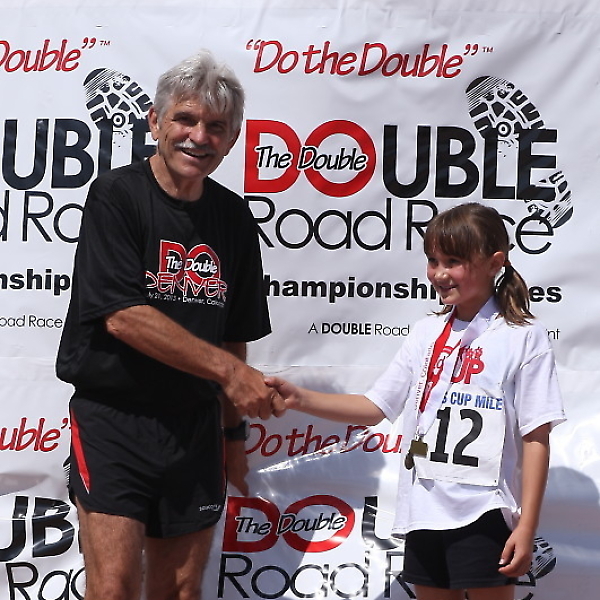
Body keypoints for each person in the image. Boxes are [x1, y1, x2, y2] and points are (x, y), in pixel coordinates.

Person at [56, 50, 284, 600]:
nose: (199, 137)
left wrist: (232, 436)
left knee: (180, 591)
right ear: (155, 122)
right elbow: (123, 317)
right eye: (185, 119)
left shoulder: (233, 217)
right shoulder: (116, 195)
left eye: (216, 127)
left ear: (232, 139)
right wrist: (230, 373)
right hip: (114, 421)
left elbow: (233, 335)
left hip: (195, 429)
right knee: (113, 588)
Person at [266, 202, 565, 600]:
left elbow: (535, 435)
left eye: (453, 262)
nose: (439, 274)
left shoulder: (524, 336)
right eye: (433, 261)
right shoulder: (425, 333)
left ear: (495, 262)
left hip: (484, 510)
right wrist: (299, 397)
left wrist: (526, 526)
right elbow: (375, 407)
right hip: (423, 509)